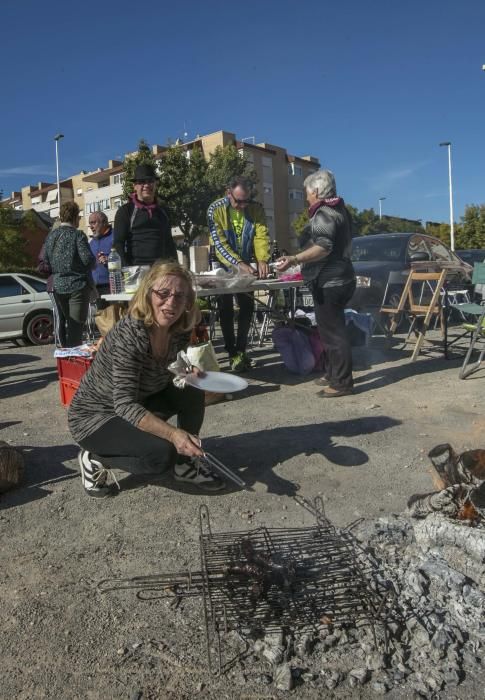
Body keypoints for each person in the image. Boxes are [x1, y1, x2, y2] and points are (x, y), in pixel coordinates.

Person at [68, 261, 224, 497]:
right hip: (97, 417)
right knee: (162, 456)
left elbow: (171, 364)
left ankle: (186, 466)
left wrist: (193, 373)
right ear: (148, 294)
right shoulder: (131, 335)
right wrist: (173, 434)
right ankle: (95, 458)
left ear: (187, 302)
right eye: (163, 293)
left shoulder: (179, 328)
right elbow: (123, 403)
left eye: (180, 296)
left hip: (139, 399)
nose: (171, 303)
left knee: (191, 386)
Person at [276, 169, 356, 397]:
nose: (306, 197)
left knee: (333, 333)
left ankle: (342, 383)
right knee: (329, 330)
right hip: (342, 278)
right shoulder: (340, 209)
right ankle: (333, 373)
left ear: (317, 191)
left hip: (331, 281)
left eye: (308, 193)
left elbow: (323, 247)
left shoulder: (324, 213)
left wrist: (294, 258)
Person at [207, 175, 270, 371]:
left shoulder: (256, 208)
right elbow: (219, 244)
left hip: (247, 264)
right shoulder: (214, 209)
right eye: (238, 201)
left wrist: (262, 259)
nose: (243, 205)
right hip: (222, 264)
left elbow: (261, 236)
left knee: (247, 306)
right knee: (225, 309)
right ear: (228, 193)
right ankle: (231, 352)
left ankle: (242, 350)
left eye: (246, 200)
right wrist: (238, 263)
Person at [43, 202, 95, 347]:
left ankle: (67, 358)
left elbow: (46, 261)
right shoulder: (77, 235)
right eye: (78, 216)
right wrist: (94, 261)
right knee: (76, 327)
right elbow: (87, 259)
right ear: (75, 217)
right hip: (77, 285)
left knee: (66, 324)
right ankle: (74, 364)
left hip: (58, 286)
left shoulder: (51, 236)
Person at [113, 163, 176, 266]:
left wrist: (175, 269)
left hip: (161, 271)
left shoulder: (164, 211)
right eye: (142, 182)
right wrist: (126, 271)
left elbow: (169, 243)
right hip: (136, 271)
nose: (146, 185)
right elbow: (118, 244)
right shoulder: (125, 211)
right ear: (135, 186)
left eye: (150, 181)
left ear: (156, 184)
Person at [88, 211, 114, 307]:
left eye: (94, 222)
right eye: (90, 223)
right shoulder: (91, 243)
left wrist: (109, 260)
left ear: (104, 222)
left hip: (113, 287)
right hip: (96, 289)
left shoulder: (116, 237)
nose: (91, 227)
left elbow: (125, 260)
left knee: (115, 318)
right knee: (102, 319)